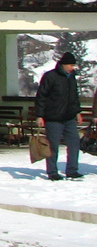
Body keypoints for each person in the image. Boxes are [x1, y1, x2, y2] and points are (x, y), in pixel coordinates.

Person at [35, 52, 85, 180]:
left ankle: (72, 170)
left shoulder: (72, 77)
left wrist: (77, 112)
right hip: (53, 118)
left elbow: (74, 96)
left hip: (69, 118)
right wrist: (40, 115)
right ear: (62, 64)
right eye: (70, 65)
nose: (72, 67)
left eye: (73, 65)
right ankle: (52, 172)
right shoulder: (50, 76)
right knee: (53, 146)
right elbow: (41, 97)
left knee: (74, 144)